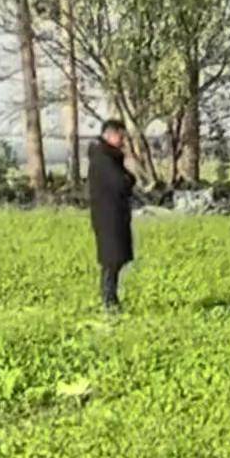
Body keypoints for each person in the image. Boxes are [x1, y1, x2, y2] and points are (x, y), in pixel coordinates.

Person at [87, 118, 135, 313]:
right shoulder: (103, 158)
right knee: (111, 259)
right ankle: (109, 300)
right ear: (109, 134)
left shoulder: (111, 156)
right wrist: (128, 180)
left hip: (115, 213)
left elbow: (128, 179)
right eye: (120, 136)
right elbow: (120, 183)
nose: (123, 140)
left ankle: (112, 298)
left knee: (116, 258)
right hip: (108, 215)